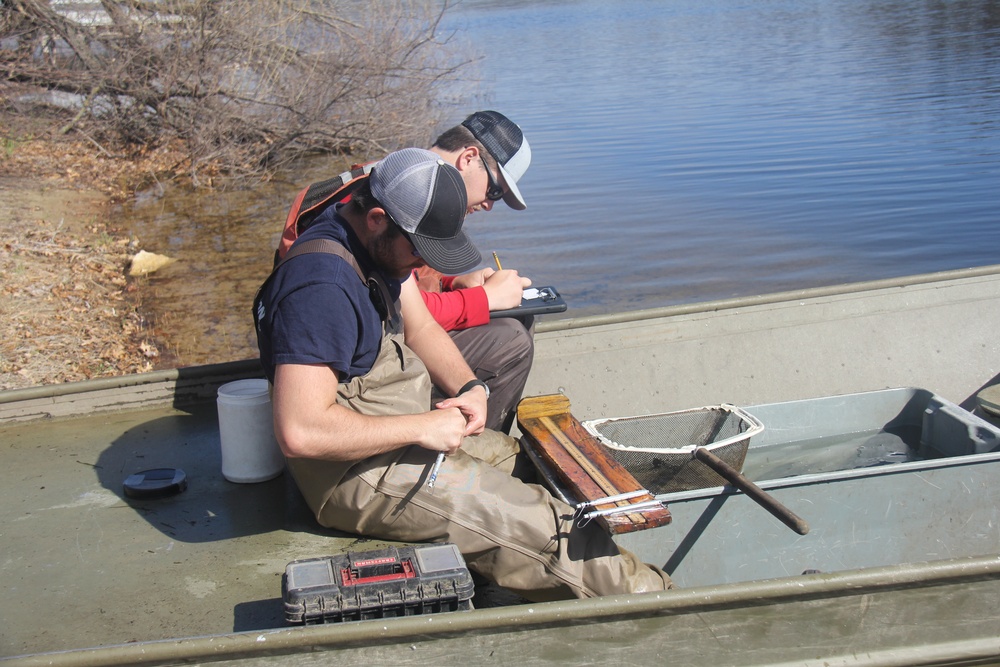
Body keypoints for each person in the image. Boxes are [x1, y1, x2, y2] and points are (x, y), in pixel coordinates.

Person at [254, 147, 672, 601]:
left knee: (534, 466)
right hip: (353, 474)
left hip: (396, 430)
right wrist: (424, 426)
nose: (422, 263)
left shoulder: (376, 242)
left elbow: (420, 326)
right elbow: (300, 431)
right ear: (377, 218)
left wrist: (470, 388)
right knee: (553, 533)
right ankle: (670, 610)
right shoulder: (321, 285)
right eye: (419, 249)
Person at [415, 110, 536, 434]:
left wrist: (454, 282)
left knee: (519, 317)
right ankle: (476, 448)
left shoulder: (413, 184)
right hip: (370, 361)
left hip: (394, 334)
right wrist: (483, 298)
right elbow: (398, 314)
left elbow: (404, 283)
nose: (489, 205)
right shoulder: (398, 196)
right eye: (495, 191)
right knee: (512, 340)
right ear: (468, 158)